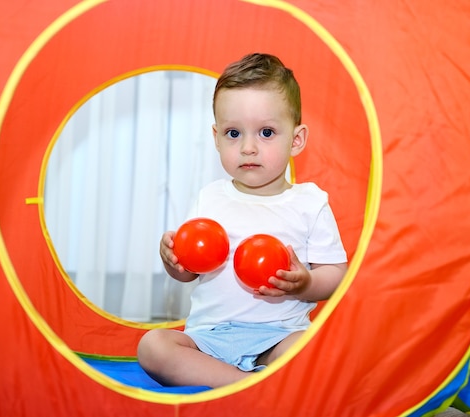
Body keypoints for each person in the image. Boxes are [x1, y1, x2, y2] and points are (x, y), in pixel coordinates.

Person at [137, 52, 348, 388]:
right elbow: (190, 272)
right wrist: (174, 262)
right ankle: (240, 385)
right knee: (153, 347)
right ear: (217, 137)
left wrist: (306, 283)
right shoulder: (210, 197)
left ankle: (256, 380)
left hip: (280, 336)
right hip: (209, 339)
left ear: (296, 140)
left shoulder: (310, 202)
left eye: (266, 132)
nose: (248, 147)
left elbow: (336, 274)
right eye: (234, 134)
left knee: (320, 351)